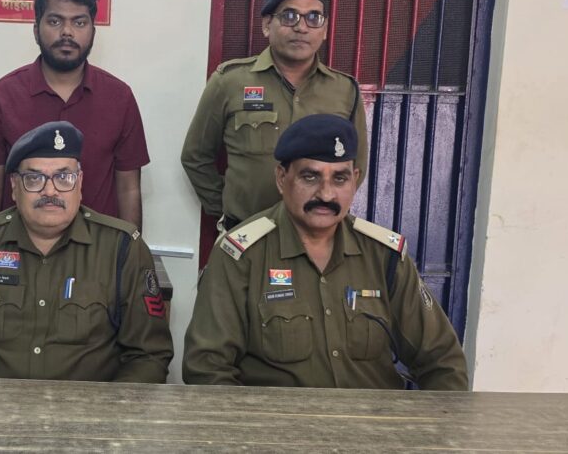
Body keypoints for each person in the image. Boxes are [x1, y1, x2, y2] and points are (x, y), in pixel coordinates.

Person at [183, 114, 467, 390]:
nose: (326, 194)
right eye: (310, 177)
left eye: (340, 179)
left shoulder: (384, 256)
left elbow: (443, 361)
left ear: (355, 179)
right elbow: (207, 368)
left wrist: (437, 421)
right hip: (278, 421)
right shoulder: (241, 256)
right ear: (281, 178)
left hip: (373, 419)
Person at [0, 121, 172, 382]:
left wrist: (107, 407)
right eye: (34, 179)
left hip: (88, 407)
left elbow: (149, 356)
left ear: (80, 183)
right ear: (14, 187)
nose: (50, 190)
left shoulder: (121, 249)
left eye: (63, 177)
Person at [181, 0, 367, 232]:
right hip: (246, 232)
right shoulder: (230, 81)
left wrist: (324, 210)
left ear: (324, 30)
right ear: (267, 25)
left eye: (314, 18)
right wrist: (226, 209)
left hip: (316, 235)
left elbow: (356, 166)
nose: (301, 27)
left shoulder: (344, 90)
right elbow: (195, 156)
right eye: (290, 16)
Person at [0, 0, 149, 229]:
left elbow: (129, 188)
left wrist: (131, 249)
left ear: (93, 31)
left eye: (79, 22)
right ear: (36, 30)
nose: (67, 32)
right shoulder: (3, 96)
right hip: (19, 244)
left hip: (99, 246)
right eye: (55, 21)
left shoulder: (120, 98)